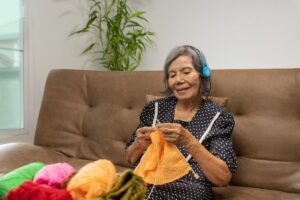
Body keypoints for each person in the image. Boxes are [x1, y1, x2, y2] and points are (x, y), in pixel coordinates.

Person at [125, 45, 237, 200]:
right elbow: (130, 158)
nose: (178, 80)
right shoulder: (155, 109)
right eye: (172, 75)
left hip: (188, 192)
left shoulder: (218, 118)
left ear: (202, 74)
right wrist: (139, 144)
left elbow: (223, 178)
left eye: (186, 72)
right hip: (145, 186)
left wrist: (188, 141)